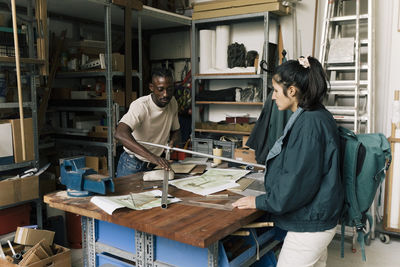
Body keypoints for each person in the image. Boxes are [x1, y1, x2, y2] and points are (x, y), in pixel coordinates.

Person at [232, 56, 343, 267]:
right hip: (320, 218)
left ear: (291, 91)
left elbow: (297, 180)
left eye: (275, 90)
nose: (273, 97)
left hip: (311, 225)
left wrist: (260, 201)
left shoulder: (309, 124)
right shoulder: (314, 115)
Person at [115, 68, 181, 177]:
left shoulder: (172, 102)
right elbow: (120, 133)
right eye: (160, 89)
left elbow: (176, 131)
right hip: (132, 164)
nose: (165, 94)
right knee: (127, 195)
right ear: (152, 87)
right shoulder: (141, 106)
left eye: (169, 89)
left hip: (154, 165)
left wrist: (173, 141)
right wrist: (153, 157)